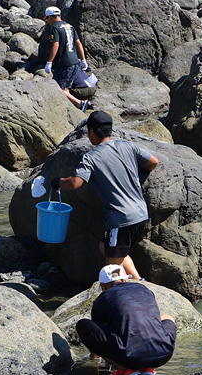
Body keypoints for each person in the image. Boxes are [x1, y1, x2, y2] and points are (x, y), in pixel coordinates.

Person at [56, 110, 159, 281]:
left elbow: (75, 183)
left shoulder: (91, 157)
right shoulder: (128, 145)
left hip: (121, 220)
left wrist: (58, 181)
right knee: (106, 246)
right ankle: (138, 280)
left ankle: (128, 291)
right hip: (141, 214)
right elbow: (153, 162)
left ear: (91, 132)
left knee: (113, 270)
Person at [76, 264, 177, 375]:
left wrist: (95, 358)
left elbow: (96, 333)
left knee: (81, 326)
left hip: (130, 357)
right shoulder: (144, 289)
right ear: (125, 280)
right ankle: (146, 368)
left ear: (103, 286)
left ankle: (124, 369)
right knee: (167, 316)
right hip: (163, 354)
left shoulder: (103, 298)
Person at [39, 6, 91, 111]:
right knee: (66, 86)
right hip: (75, 61)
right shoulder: (70, 26)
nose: (47, 21)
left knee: (58, 88)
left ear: (50, 17)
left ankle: (80, 103)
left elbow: (55, 45)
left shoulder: (54, 28)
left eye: (47, 19)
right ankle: (83, 102)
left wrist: (49, 62)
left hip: (64, 63)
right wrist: (83, 59)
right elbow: (78, 43)